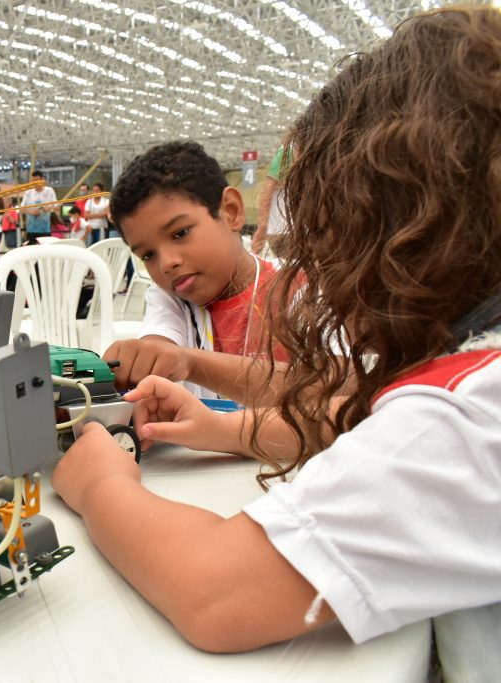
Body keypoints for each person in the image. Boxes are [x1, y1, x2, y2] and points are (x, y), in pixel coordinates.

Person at [53, 8, 501, 668]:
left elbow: (215, 589)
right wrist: (215, 416)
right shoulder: (472, 360)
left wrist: (99, 485)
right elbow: (341, 398)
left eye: (329, 238)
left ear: (398, 232)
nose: (320, 268)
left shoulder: (467, 410)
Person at [102, 141, 285, 398]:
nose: (166, 263)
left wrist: (188, 362)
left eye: (180, 233)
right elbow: (158, 342)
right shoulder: (172, 299)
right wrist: (142, 359)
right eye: (148, 255)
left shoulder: (298, 285)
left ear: (231, 211)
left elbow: (326, 384)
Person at [251, 146, 290, 258]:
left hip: (289, 230)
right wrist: (262, 229)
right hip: (284, 231)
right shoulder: (289, 149)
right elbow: (268, 188)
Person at [20, 170, 56, 242]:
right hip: (31, 230)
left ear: (42, 179)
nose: (35, 183)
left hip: (45, 229)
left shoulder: (49, 191)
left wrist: (41, 210)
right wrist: (32, 212)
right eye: (33, 181)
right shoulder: (28, 193)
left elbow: (55, 205)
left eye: (37, 180)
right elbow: (21, 209)